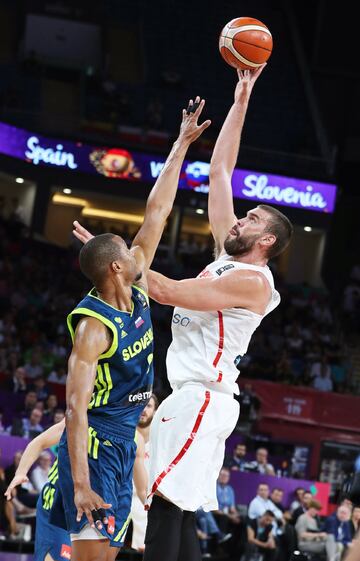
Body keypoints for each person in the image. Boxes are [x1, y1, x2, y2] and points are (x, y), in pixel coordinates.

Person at [74, 68, 293, 561]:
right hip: (197, 398)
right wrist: (242, 98)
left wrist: (117, 263)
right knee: (177, 508)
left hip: (202, 398)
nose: (239, 218)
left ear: (267, 242)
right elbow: (220, 172)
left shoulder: (251, 281)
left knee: (160, 503)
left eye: (251, 219)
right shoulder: (227, 255)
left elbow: (168, 291)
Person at [53, 99, 210, 561]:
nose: (137, 242)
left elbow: (157, 211)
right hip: (98, 442)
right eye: (127, 245)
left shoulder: (133, 280)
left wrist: (180, 144)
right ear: (117, 267)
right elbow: (74, 408)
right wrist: (81, 484)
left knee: (113, 556)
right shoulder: (92, 329)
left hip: (127, 441)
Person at [5, 418, 147, 561]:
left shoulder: (135, 438)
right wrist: (20, 473)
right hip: (60, 499)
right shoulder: (83, 417)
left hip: (106, 504)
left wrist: (153, 510)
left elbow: (142, 489)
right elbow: (40, 442)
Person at [130, 393, 159, 552]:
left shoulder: (160, 441)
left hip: (146, 501)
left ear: (155, 411)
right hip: (121, 497)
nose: (144, 410)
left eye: (149, 406)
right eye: (141, 405)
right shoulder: (124, 433)